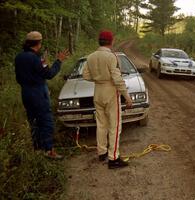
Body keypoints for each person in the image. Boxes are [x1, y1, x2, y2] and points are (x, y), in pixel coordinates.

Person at [82, 30, 133, 169]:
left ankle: (102, 152)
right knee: (115, 126)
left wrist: (98, 79)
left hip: (97, 91)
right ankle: (113, 158)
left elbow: (85, 75)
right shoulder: (112, 57)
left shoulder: (90, 57)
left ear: (99, 41)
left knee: (101, 124)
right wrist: (127, 97)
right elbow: (117, 79)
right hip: (110, 92)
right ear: (111, 41)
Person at [15, 31, 69, 159]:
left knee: (33, 121)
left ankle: (37, 150)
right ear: (38, 43)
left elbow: (18, 78)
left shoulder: (19, 57)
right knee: (46, 121)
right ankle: (49, 151)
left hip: (26, 93)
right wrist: (59, 61)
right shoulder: (36, 58)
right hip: (38, 93)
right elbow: (49, 74)